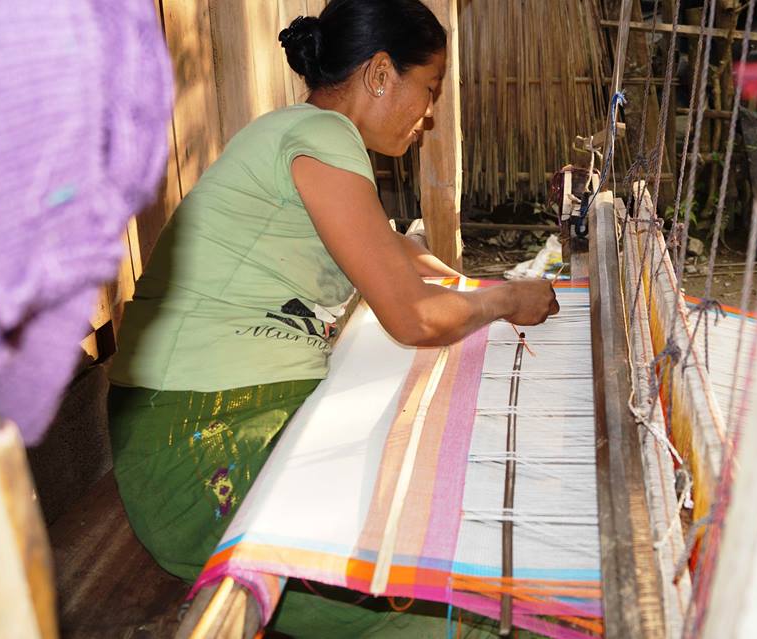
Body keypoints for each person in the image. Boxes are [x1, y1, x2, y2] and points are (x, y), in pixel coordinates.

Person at [107, 0, 557, 635]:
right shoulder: (322, 137)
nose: (429, 116)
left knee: (445, 549)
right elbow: (413, 315)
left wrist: (455, 282)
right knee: (445, 604)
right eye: (427, 90)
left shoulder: (300, 135)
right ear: (379, 73)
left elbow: (398, 259)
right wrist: (507, 299)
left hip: (216, 418)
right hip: (198, 451)